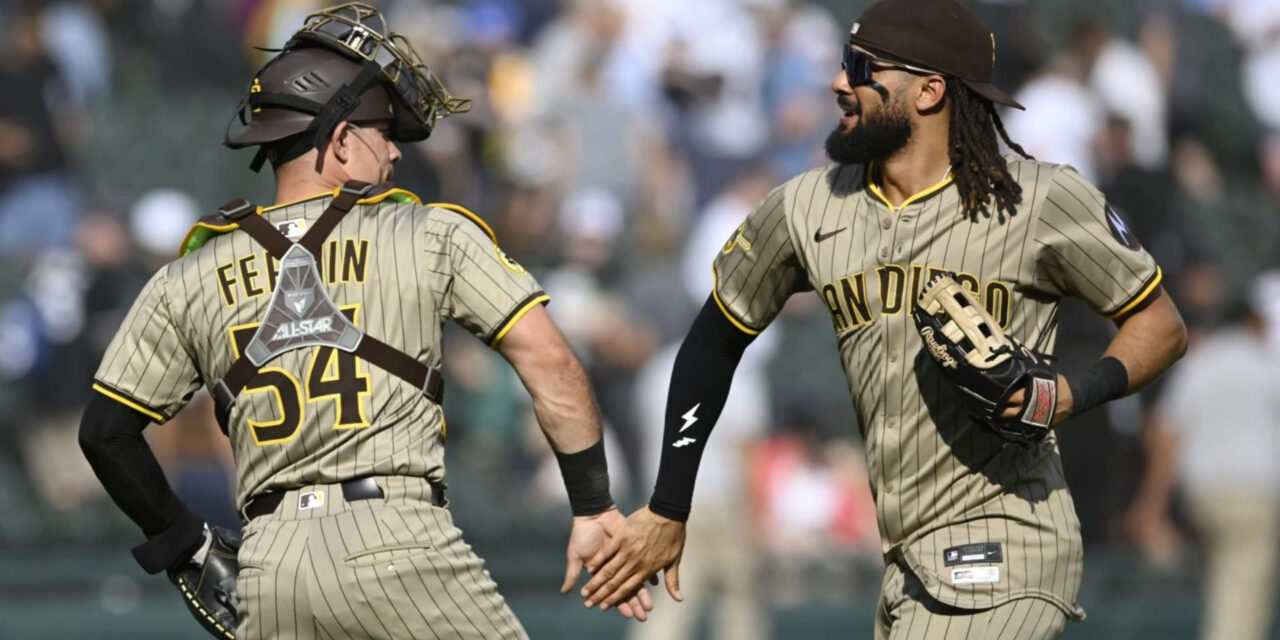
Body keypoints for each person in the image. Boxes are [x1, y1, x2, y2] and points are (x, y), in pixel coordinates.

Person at [579, 1, 1187, 638]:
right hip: (902, 564)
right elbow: (711, 343)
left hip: (1012, 544)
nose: (841, 82)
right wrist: (669, 505)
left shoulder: (1038, 198)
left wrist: (1068, 394)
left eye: (863, 68)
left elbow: (1161, 324)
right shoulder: (806, 206)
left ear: (929, 91)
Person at [76, 4, 650, 638]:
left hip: (271, 570)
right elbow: (548, 360)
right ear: (341, 139)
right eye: (383, 130)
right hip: (399, 543)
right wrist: (594, 503)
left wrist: (185, 543)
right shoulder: (428, 232)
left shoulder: (189, 273)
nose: (395, 153)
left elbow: (106, 432)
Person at [1125, 296, 1280, 640]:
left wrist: (1151, 504)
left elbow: (1165, 436)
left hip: (1203, 495)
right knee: (1241, 601)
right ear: (1253, 323)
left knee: (1225, 585)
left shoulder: (1198, 364)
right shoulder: (1266, 365)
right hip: (1255, 494)